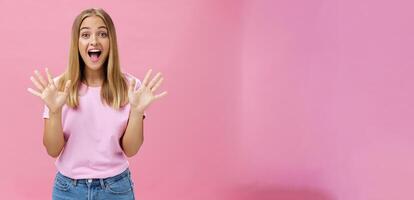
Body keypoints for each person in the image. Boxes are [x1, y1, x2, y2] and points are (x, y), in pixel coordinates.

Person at [27, 8, 167, 200]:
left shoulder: (131, 87)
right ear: (77, 43)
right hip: (68, 189)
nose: (94, 41)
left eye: (102, 33)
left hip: (116, 188)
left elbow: (131, 150)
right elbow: (52, 150)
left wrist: (136, 112)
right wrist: (54, 111)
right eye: (85, 34)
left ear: (111, 42)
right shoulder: (59, 88)